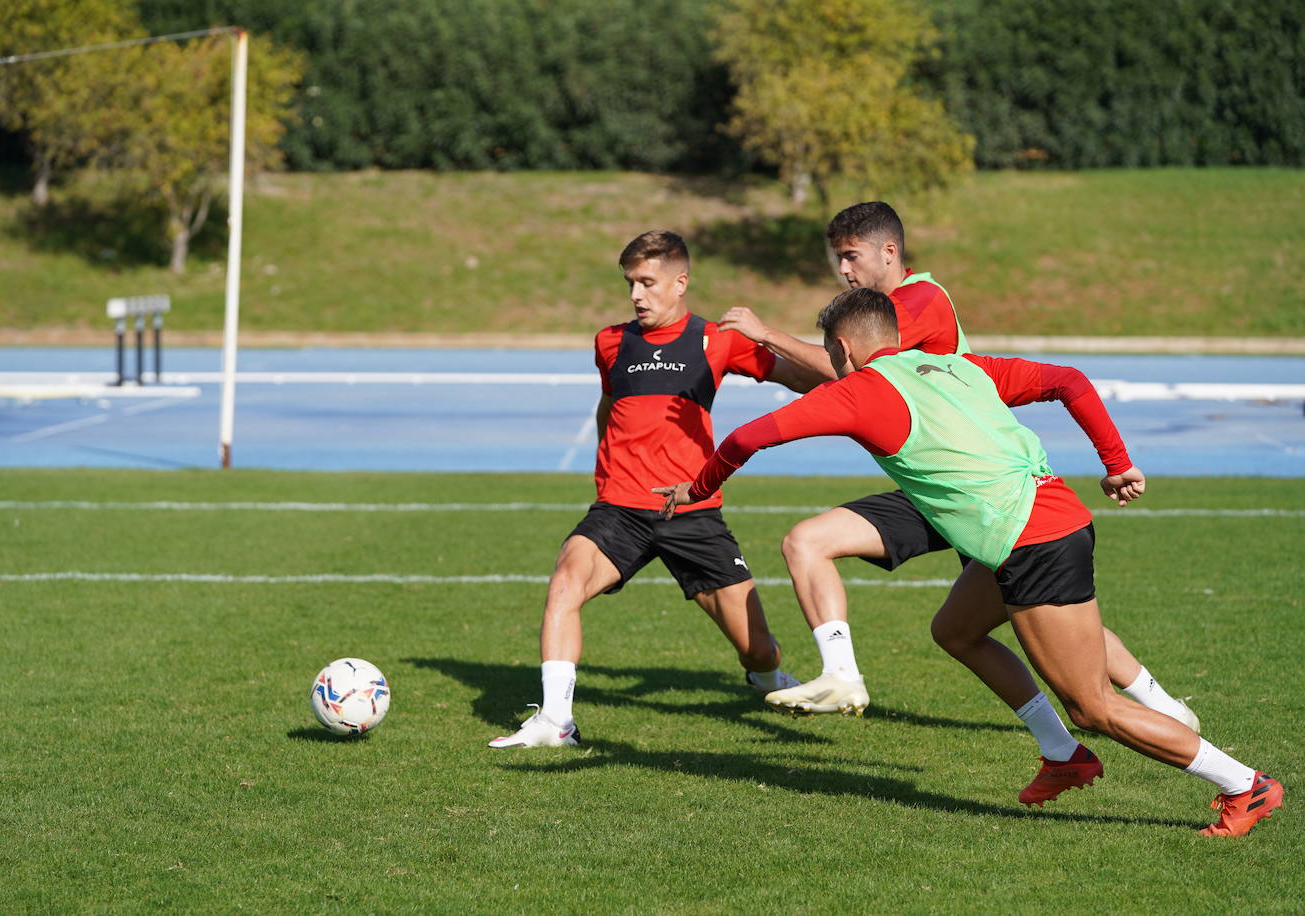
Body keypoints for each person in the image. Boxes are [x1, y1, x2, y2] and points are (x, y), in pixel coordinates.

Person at [656, 287, 1283, 836]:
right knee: (955, 630)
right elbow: (1067, 379)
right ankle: (1063, 756)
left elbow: (748, 435)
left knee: (1093, 705)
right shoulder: (956, 366)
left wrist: (700, 487)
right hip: (1041, 520)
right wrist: (1116, 462)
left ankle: (1244, 784)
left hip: (1031, 541)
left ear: (843, 346)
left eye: (832, 352)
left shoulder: (860, 392)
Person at [718, 202, 1200, 803]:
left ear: (888, 252)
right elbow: (830, 380)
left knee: (1055, 627)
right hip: (935, 482)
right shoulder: (874, 321)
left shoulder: (917, 304)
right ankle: (1058, 747)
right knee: (828, 551)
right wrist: (759, 365)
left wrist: (766, 337)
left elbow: (848, 377)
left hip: (973, 486)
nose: (842, 269)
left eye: (851, 256)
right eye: (836, 257)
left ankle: (1160, 713)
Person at [488, 230, 834, 748]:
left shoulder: (716, 340)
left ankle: (762, 678)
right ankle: (556, 721)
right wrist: (607, 462)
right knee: (564, 583)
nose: (636, 295)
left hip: (691, 512)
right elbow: (611, 404)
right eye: (630, 283)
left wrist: (767, 333)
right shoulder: (611, 341)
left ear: (680, 282)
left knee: (760, 651)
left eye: (647, 283)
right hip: (619, 511)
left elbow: (811, 379)